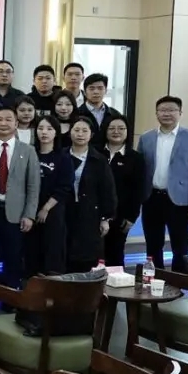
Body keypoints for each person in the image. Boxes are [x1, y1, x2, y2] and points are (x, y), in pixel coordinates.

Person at [138, 95, 188, 273]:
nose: (166, 114)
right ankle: (155, 279)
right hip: (151, 198)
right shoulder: (146, 138)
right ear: (156, 113)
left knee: (180, 246)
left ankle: (178, 281)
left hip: (179, 200)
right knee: (153, 244)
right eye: (162, 110)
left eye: (171, 110)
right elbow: (140, 169)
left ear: (180, 113)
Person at [0, 107, 40, 287]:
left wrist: (29, 214)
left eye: (8, 119)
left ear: (16, 123)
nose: (3, 123)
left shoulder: (28, 151)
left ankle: (11, 297)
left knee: (13, 259)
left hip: (16, 214)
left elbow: (33, 185)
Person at [65, 116, 117, 272]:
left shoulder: (99, 160)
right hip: (64, 212)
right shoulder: (61, 155)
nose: (80, 134)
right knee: (64, 254)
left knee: (87, 257)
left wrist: (105, 218)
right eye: (76, 130)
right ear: (70, 132)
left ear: (91, 134)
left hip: (90, 214)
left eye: (84, 131)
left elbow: (108, 190)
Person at [26, 116, 73, 277]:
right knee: (31, 253)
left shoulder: (63, 157)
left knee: (52, 252)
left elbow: (65, 186)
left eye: (49, 129)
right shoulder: (29, 153)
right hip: (30, 211)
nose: (44, 132)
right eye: (40, 128)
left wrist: (46, 208)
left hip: (53, 211)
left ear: (56, 132)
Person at [103, 116, 145, 268]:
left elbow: (138, 190)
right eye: (112, 128)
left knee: (115, 253)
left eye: (121, 128)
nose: (116, 131)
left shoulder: (136, 158)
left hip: (121, 215)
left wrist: (131, 217)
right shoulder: (96, 153)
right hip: (95, 213)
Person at [76, 73, 123, 147]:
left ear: (106, 91)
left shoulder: (115, 114)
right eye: (91, 88)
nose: (96, 92)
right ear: (84, 92)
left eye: (100, 88)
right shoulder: (77, 113)